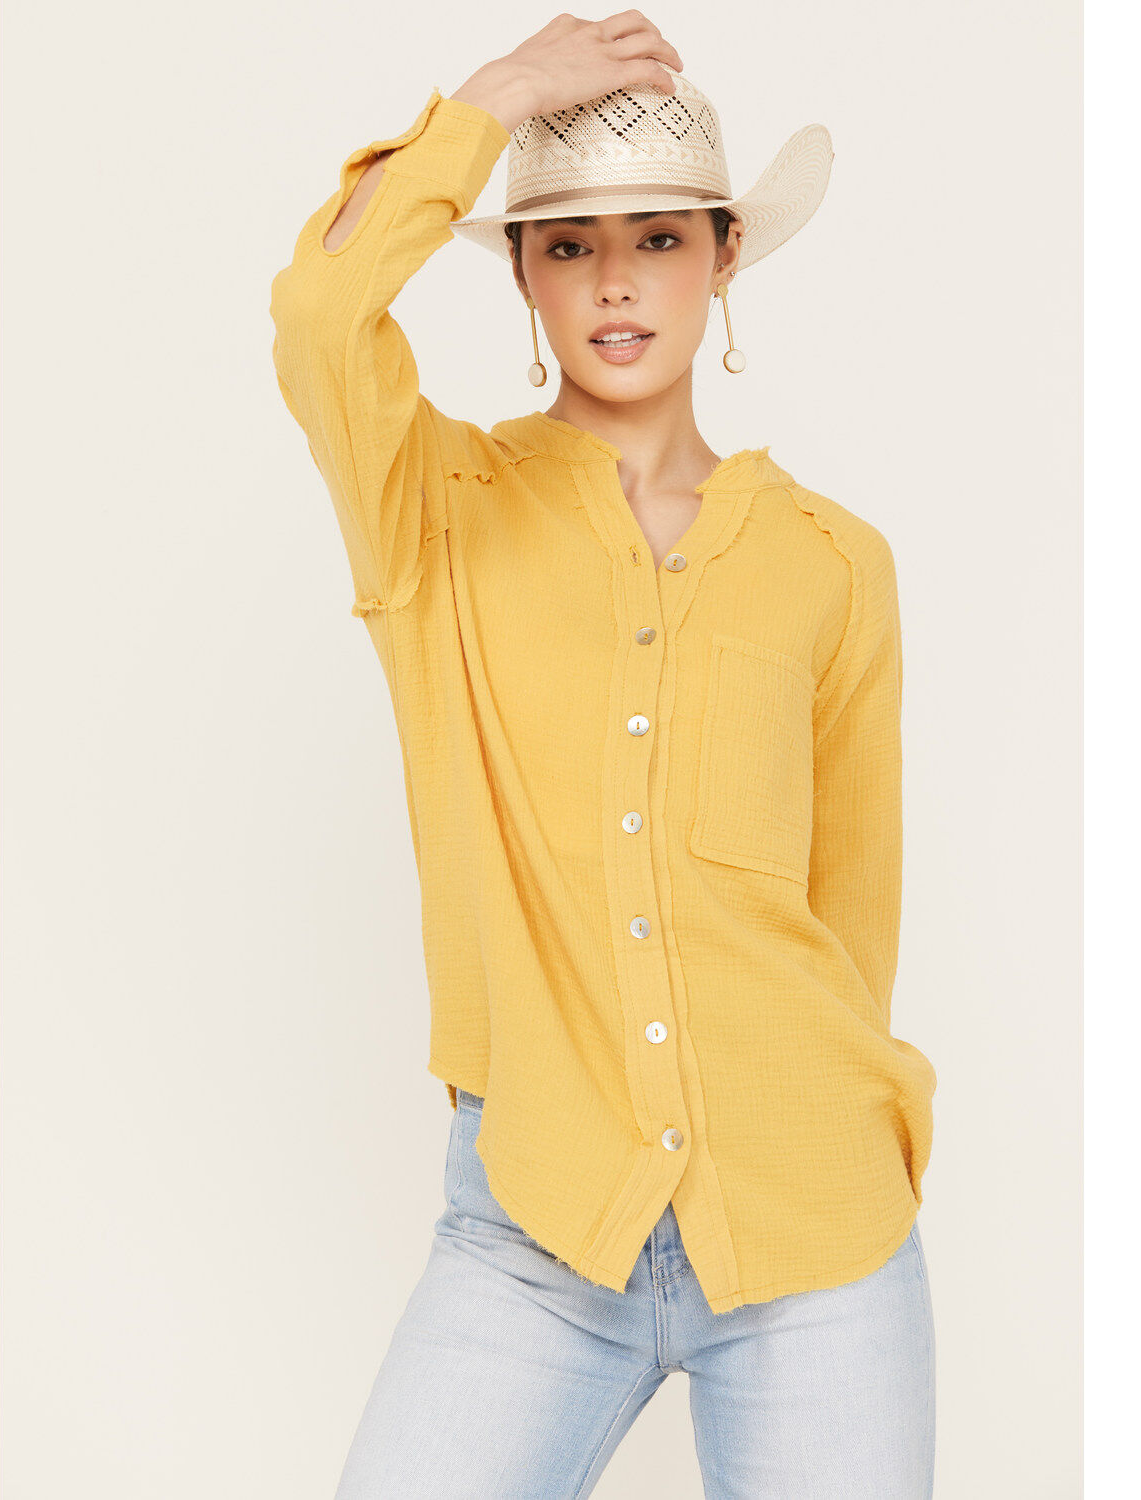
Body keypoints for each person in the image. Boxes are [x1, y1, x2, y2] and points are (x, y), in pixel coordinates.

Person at [269, 12, 937, 1497]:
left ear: (725, 257)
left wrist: (855, 1140)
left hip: (814, 1224)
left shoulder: (836, 562)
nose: (617, 280)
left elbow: (852, 918)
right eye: (569, 244)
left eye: (659, 238)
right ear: (521, 272)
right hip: (535, 1228)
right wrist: (501, 98)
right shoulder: (435, 508)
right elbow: (320, 317)